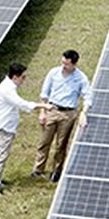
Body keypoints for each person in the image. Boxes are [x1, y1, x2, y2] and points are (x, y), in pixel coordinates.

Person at [33, 49, 92, 182]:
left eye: (66, 64)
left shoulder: (81, 78)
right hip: (51, 110)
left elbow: (88, 97)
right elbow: (44, 93)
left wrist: (84, 112)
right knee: (44, 142)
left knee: (61, 145)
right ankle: (38, 169)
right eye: (62, 62)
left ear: (74, 64)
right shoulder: (53, 73)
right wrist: (42, 112)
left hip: (68, 114)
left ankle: (56, 171)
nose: (63, 66)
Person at [0, 62, 38, 197]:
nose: (24, 80)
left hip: (6, 127)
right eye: (23, 77)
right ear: (15, 77)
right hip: (3, 128)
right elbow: (22, 104)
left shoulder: (9, 86)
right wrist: (42, 106)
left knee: (2, 156)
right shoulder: (7, 90)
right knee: (1, 157)